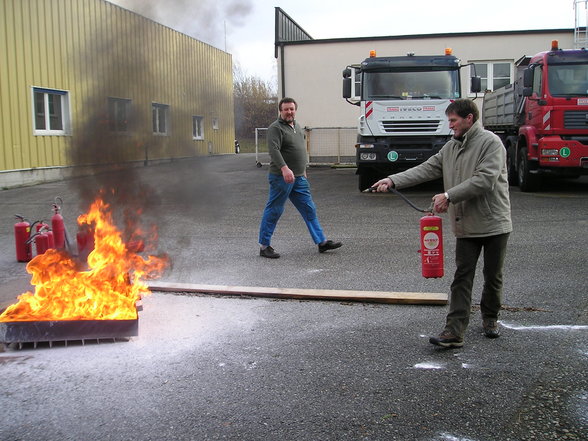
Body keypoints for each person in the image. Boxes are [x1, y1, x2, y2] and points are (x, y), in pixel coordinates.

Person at [371, 99, 512, 348]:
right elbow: (426, 169)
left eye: (454, 121)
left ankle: (490, 318)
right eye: (449, 121)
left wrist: (448, 196)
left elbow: (485, 180)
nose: (451, 126)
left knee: (493, 276)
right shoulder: (451, 147)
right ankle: (454, 331)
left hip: (493, 222)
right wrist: (392, 180)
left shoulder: (491, 143)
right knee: (462, 277)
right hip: (465, 223)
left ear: (469, 118)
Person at [258, 97, 342, 259]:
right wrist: (284, 169)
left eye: (292, 109)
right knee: (274, 210)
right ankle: (264, 246)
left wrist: (302, 170)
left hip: (299, 177)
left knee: (309, 208)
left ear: (295, 110)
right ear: (280, 111)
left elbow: (299, 150)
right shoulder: (275, 128)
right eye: (286, 109)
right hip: (281, 177)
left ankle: (321, 242)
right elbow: (274, 150)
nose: (289, 112)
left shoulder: (296, 126)